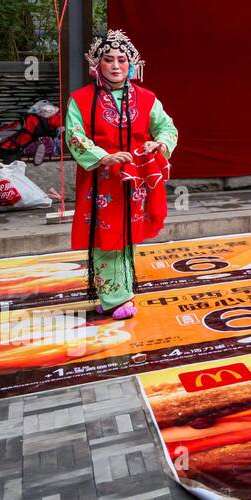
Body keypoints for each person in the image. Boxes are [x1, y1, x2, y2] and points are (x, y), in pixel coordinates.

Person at [64, 30, 178, 320]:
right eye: (108, 59)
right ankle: (117, 298)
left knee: (127, 237)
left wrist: (159, 143)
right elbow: (75, 138)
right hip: (100, 180)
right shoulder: (80, 99)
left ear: (131, 65)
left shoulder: (147, 98)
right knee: (106, 237)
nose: (115, 66)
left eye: (122, 60)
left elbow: (167, 128)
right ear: (96, 64)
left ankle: (114, 293)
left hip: (134, 179)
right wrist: (104, 157)